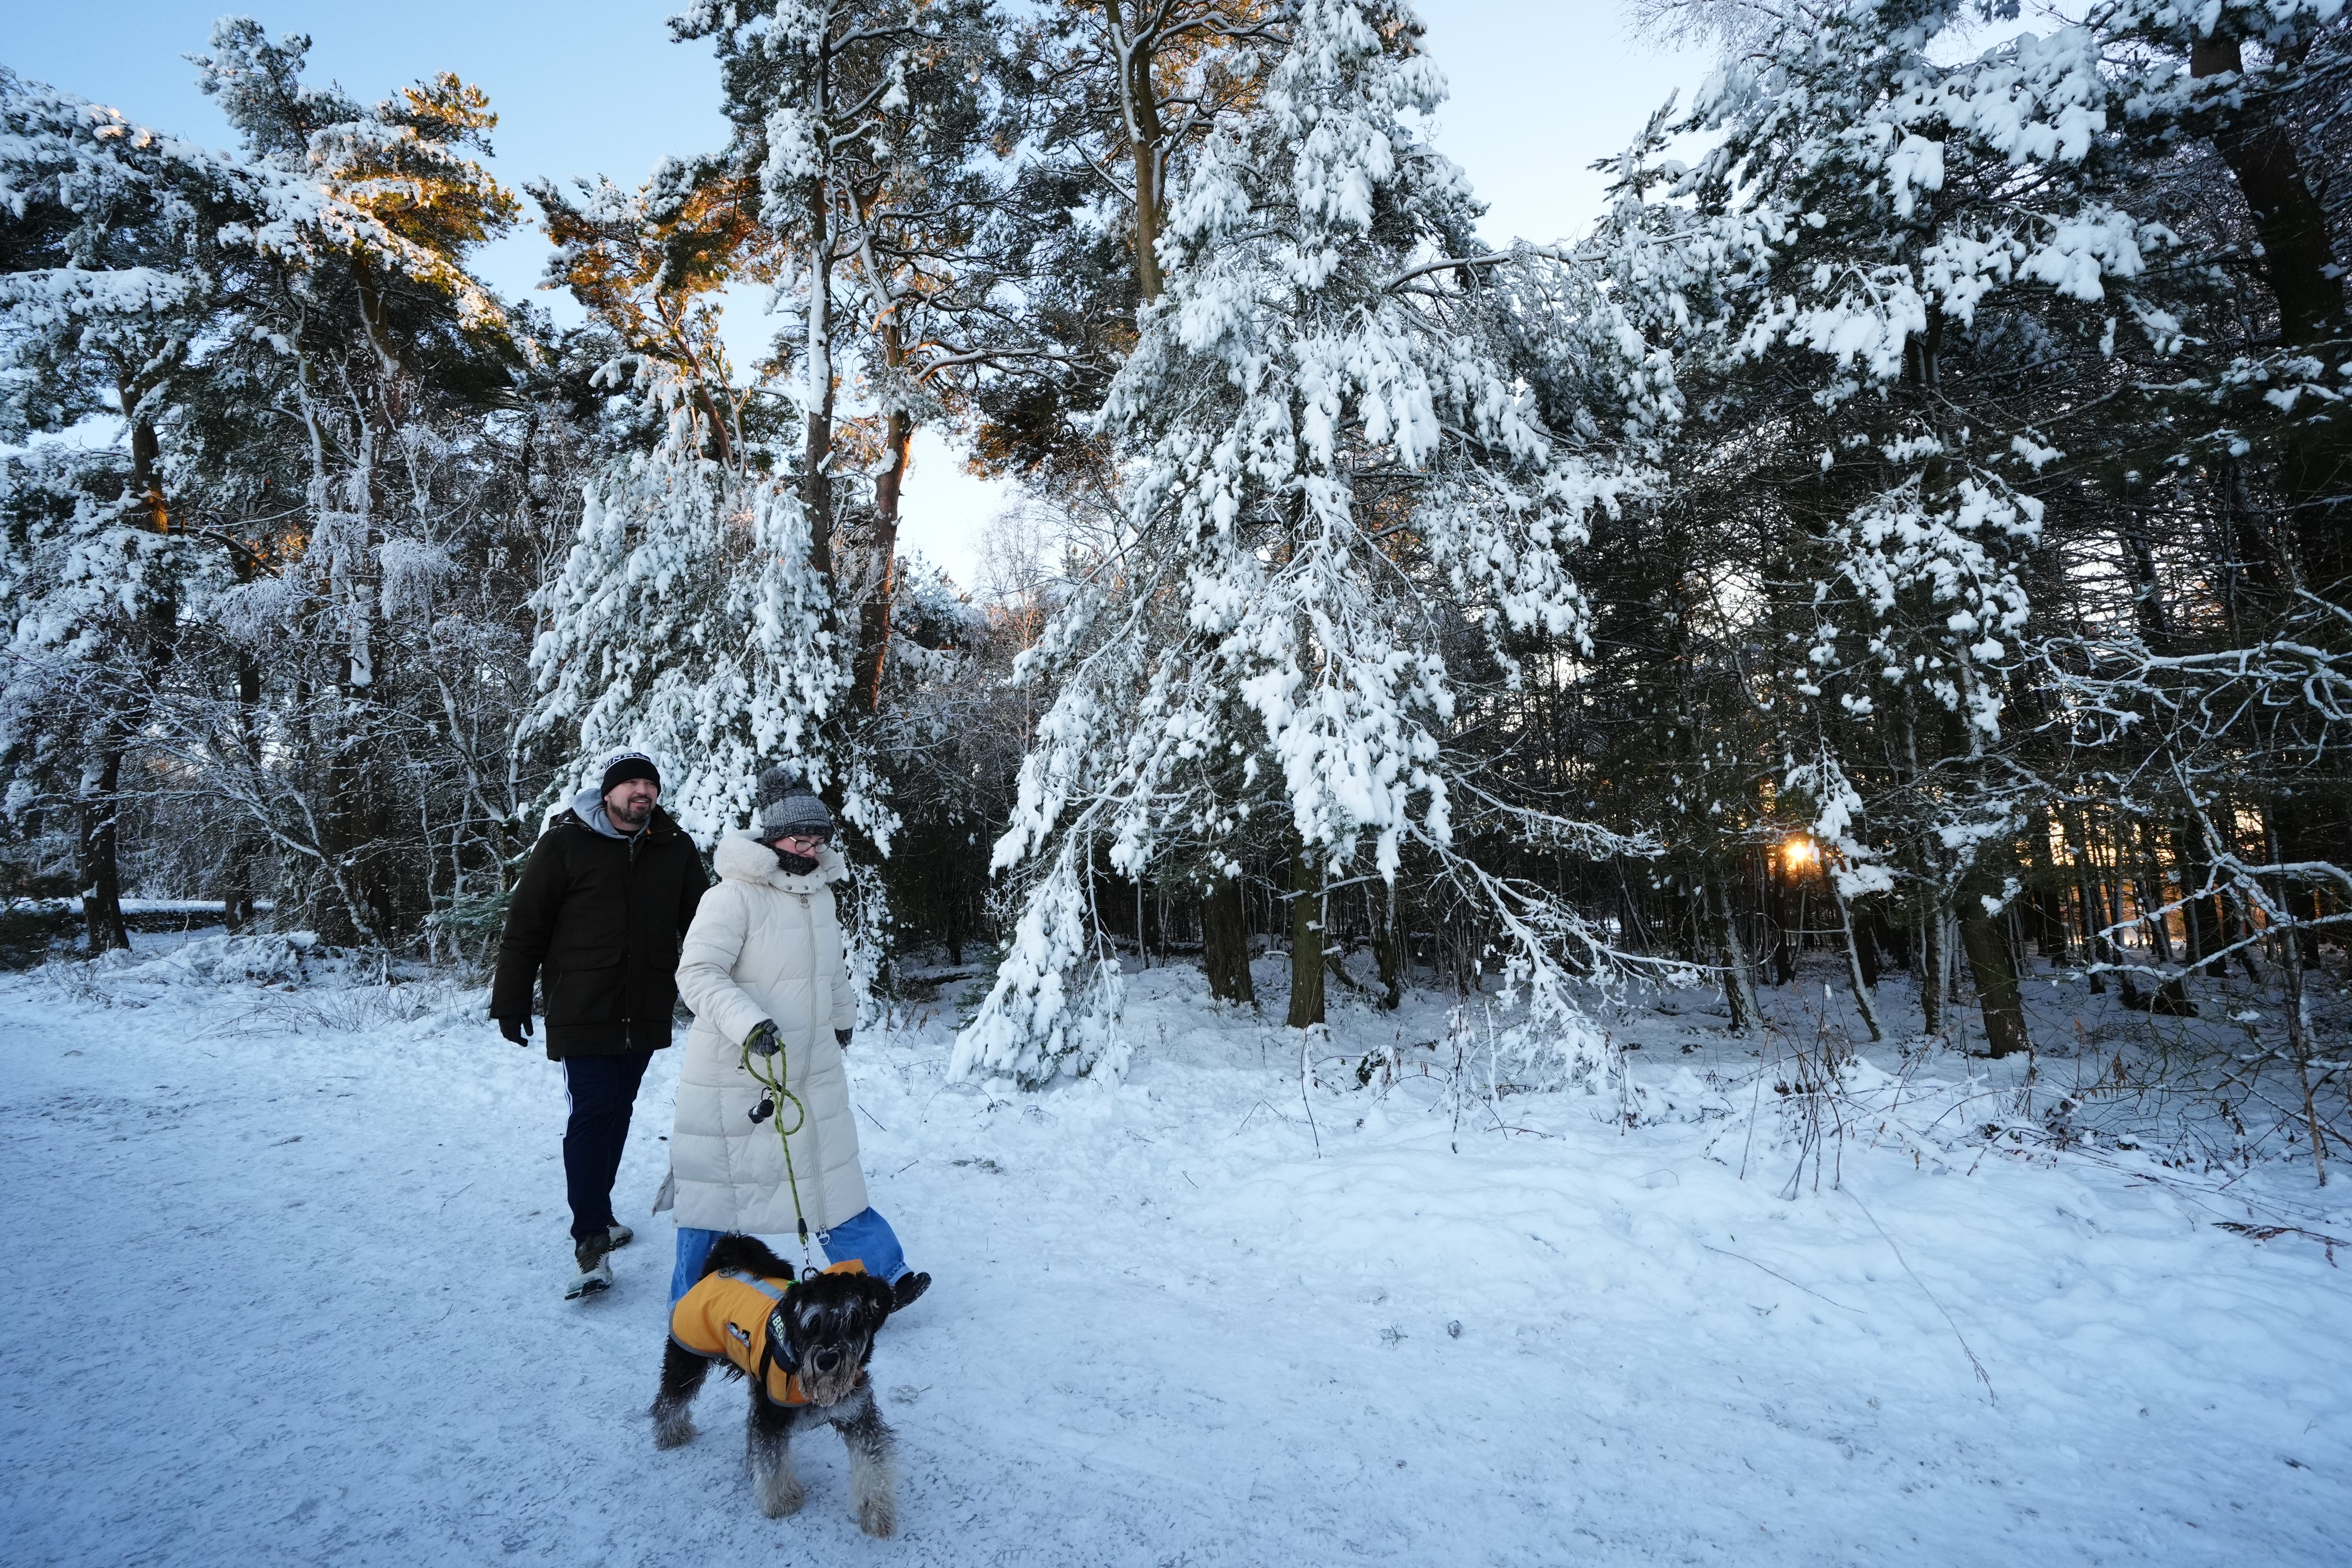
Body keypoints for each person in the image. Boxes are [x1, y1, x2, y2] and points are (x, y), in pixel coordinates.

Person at [666, 764, 929, 1312]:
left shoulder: (820, 896)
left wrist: (843, 1016)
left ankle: (884, 1278)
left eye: (817, 840)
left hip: (811, 1066)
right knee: (718, 1196)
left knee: (831, 1175)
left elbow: (830, 971)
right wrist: (750, 1023)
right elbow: (696, 974)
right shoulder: (733, 897)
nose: (809, 850)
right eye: (798, 839)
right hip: (739, 1074)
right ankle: (691, 1304)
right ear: (771, 838)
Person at [492, 750, 709, 1300]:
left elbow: (706, 929)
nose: (642, 792)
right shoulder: (564, 843)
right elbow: (526, 927)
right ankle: (590, 1240)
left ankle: (602, 1213)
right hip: (582, 1005)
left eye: (650, 785)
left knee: (618, 1109)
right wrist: (511, 1001)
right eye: (631, 783)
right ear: (608, 793)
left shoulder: (675, 848)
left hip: (646, 1005)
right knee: (592, 1112)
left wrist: (727, 994)